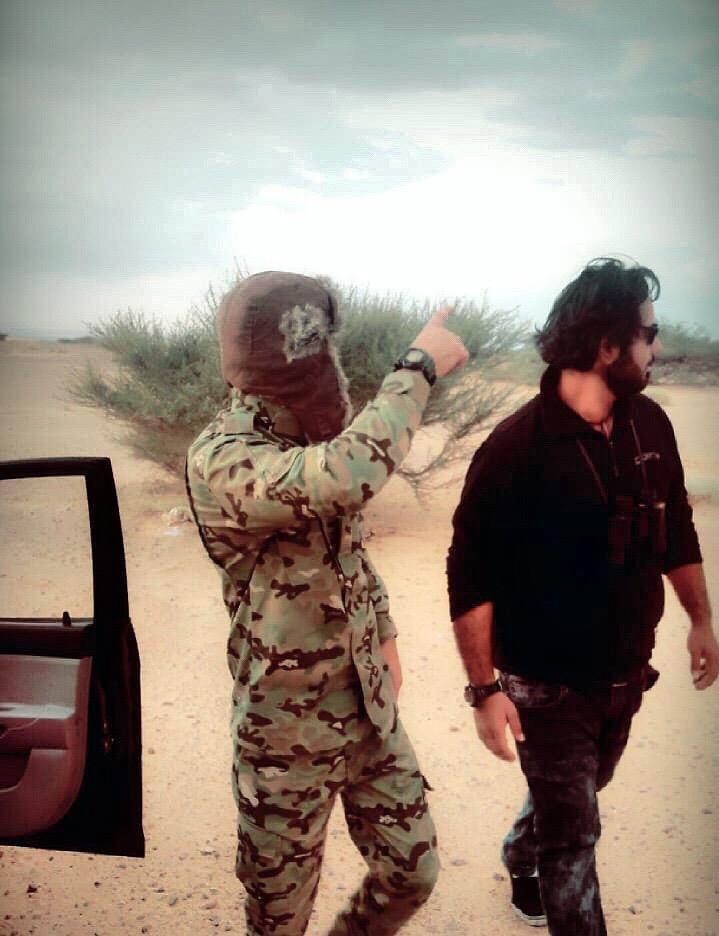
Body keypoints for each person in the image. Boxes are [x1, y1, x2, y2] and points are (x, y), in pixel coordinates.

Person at [185, 271, 468, 936]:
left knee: (411, 873)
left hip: (367, 712)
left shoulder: (312, 437)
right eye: (311, 345)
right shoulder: (222, 457)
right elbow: (344, 479)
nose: (324, 361)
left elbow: (351, 553)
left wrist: (384, 633)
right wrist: (417, 368)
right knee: (279, 918)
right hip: (284, 737)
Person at [446, 258, 718, 935]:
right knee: (573, 838)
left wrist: (700, 621)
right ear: (606, 346)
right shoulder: (515, 448)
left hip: (625, 668)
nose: (657, 346)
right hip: (545, 682)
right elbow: (469, 573)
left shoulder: (649, 424)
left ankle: (519, 851)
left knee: (583, 789)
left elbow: (676, 528)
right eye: (647, 334)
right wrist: (483, 691)